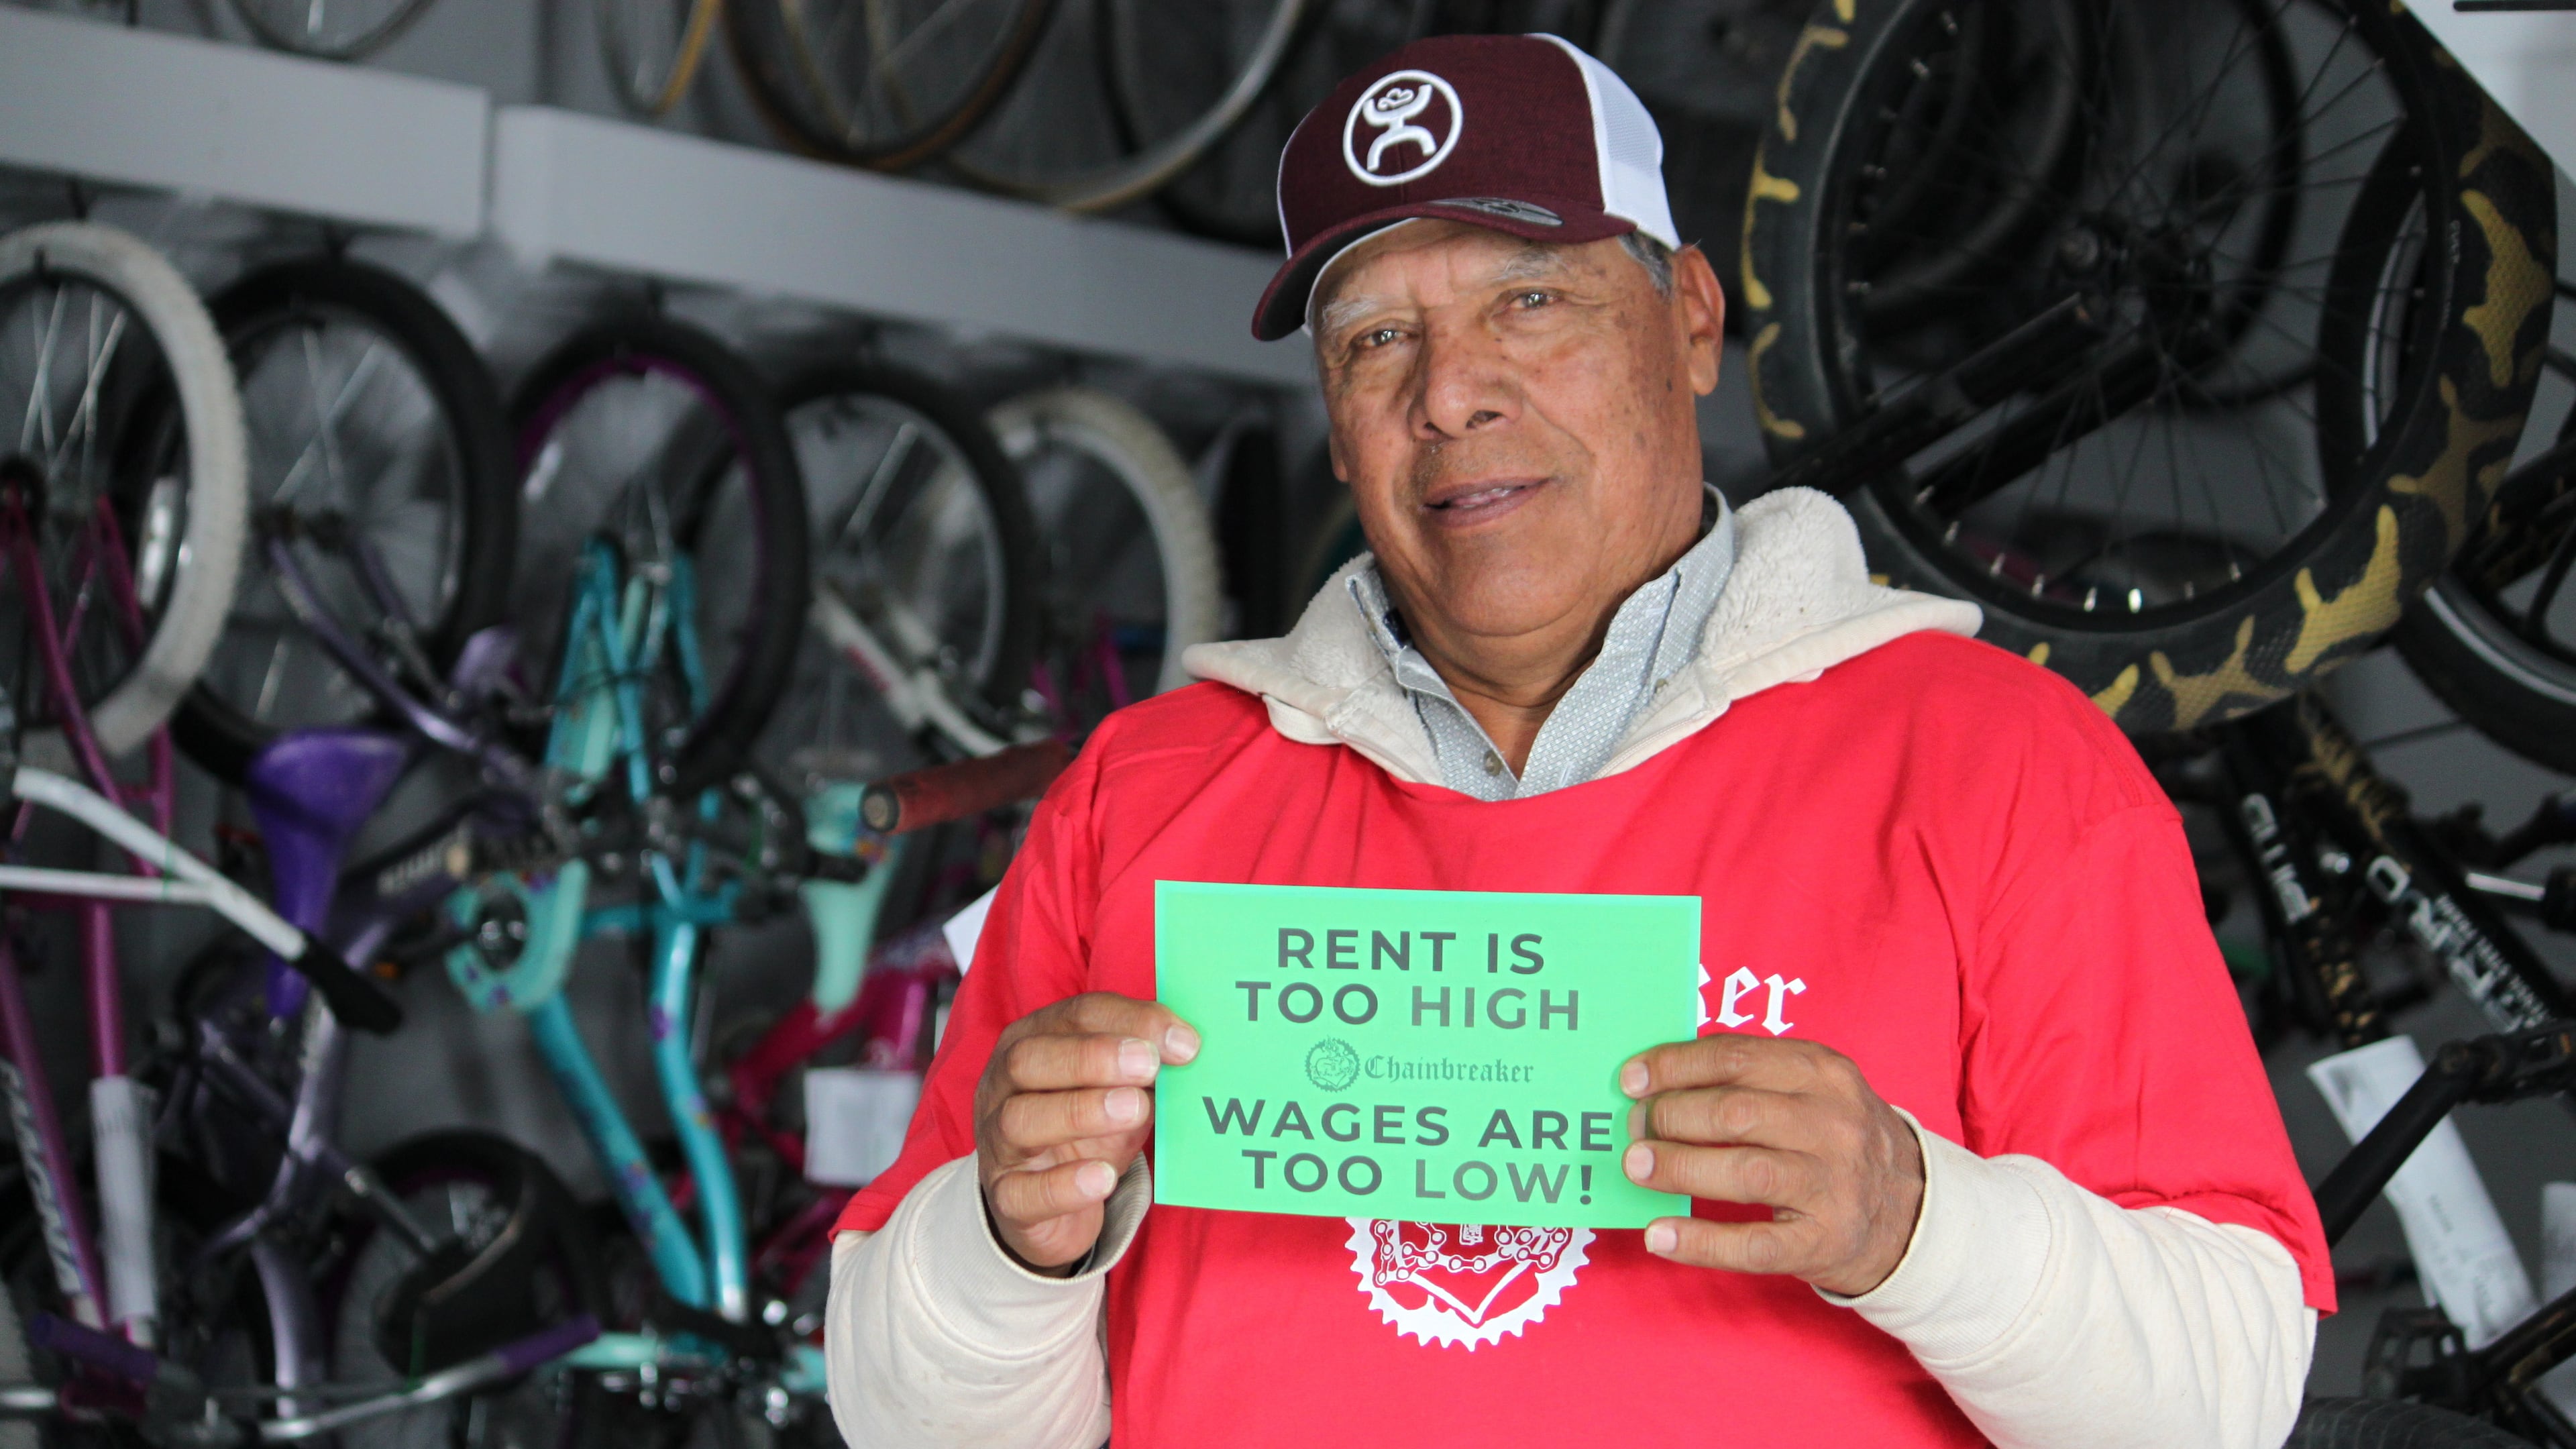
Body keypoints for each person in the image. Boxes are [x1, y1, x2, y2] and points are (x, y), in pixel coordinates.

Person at [824, 33, 2328, 1448]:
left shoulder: (1999, 764)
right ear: (1336, 419)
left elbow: (2228, 1397)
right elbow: (899, 1413)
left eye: (1529, 302)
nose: (1452, 393)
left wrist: (1911, 1218)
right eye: (1376, 338)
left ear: (1687, 320)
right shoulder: (1142, 796)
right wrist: (1008, 1250)